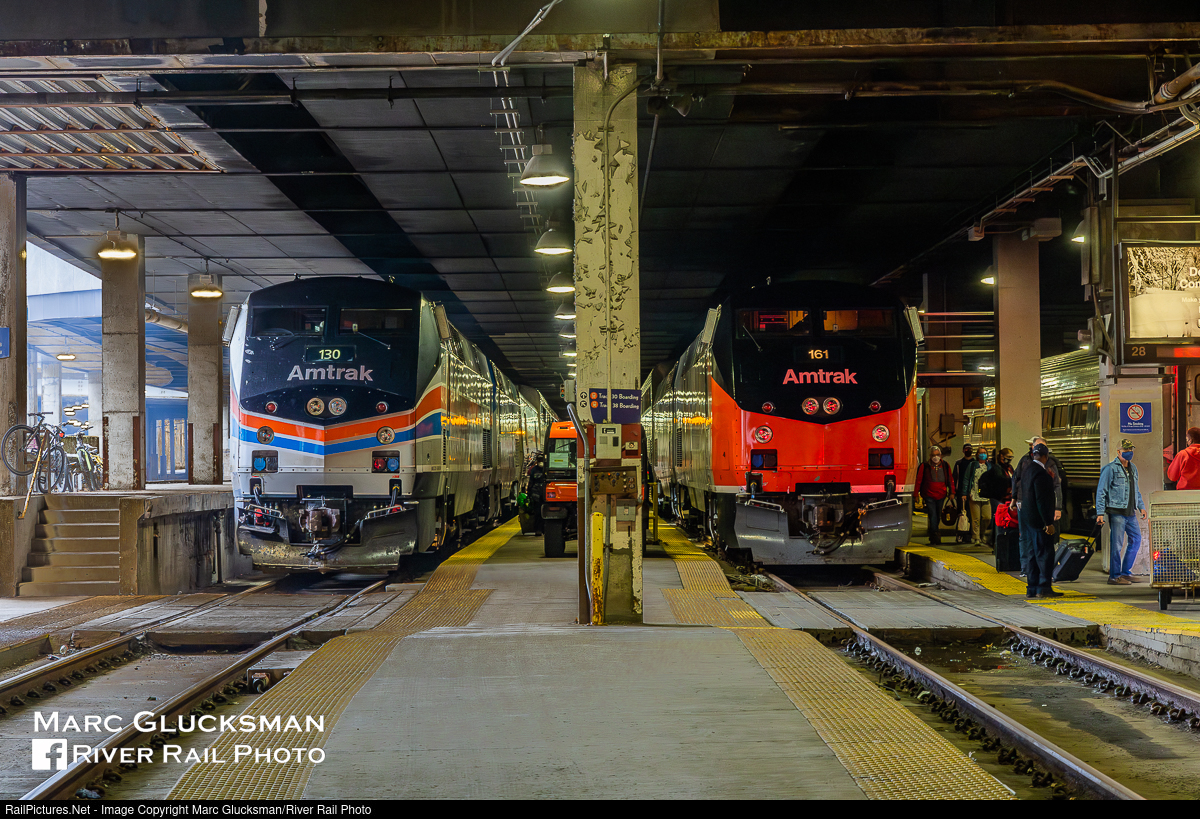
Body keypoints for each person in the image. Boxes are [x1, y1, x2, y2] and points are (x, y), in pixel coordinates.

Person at [1096, 438, 1146, 586]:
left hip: (1130, 512)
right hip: (1117, 512)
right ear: (1118, 452)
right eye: (1126, 450)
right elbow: (1101, 491)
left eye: (1131, 449)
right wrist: (1100, 512)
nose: (1129, 452)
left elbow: (1136, 490)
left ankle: (1125, 572)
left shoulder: (1133, 468)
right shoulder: (1110, 469)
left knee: (1136, 540)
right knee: (1117, 545)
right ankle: (1114, 576)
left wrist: (1141, 506)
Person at [1011, 436, 1064, 572]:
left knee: (1042, 537)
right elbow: (1016, 479)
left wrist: (1058, 507)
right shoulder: (1024, 461)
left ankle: (1040, 568)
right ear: (1032, 447)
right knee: (1026, 536)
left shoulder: (1051, 463)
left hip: (1040, 505)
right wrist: (1015, 498)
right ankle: (1026, 567)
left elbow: (1057, 485)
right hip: (1025, 503)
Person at [1020, 443, 1062, 599]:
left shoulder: (1027, 470)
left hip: (1028, 519)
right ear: (1046, 456)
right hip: (1039, 521)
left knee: (1032, 554)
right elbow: (1042, 500)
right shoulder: (1042, 475)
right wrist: (1048, 523)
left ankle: (1032, 588)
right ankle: (1043, 588)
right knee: (1044, 554)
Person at [915, 445, 953, 545]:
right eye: (933, 455)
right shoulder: (924, 466)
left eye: (937, 455)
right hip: (928, 495)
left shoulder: (945, 465)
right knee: (932, 515)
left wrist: (952, 492)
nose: (936, 457)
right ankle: (935, 535)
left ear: (941, 455)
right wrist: (916, 494)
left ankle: (934, 533)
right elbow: (919, 480)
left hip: (941, 494)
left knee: (938, 514)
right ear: (930, 456)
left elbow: (950, 479)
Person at [978, 447, 1015, 544]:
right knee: (998, 519)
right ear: (1002, 456)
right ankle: (993, 539)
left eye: (1011, 457)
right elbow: (1000, 481)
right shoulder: (997, 468)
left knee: (1003, 520)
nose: (1009, 459)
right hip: (999, 497)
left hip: (1008, 498)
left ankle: (994, 539)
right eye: (1008, 457)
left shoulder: (1009, 468)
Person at [964, 447, 992, 546]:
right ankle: (976, 537)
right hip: (974, 494)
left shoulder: (989, 466)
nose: (982, 454)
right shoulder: (972, 465)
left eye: (984, 452)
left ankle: (982, 533)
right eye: (980, 453)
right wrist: (965, 493)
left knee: (987, 517)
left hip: (986, 495)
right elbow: (967, 479)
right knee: (975, 518)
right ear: (977, 454)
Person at [952, 444, 974, 543]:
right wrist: (953, 491)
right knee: (961, 513)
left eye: (970, 449)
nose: (968, 450)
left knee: (970, 514)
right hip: (960, 492)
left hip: (972, 492)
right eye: (966, 449)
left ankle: (968, 535)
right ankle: (960, 533)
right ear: (963, 451)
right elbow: (954, 477)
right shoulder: (959, 463)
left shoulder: (975, 463)